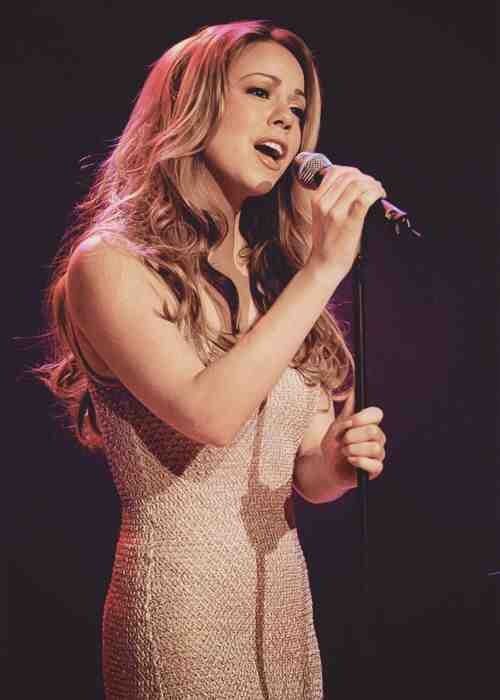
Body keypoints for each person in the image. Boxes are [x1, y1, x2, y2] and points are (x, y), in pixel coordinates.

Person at [33, 19, 387, 699]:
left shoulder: (276, 274)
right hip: (181, 606)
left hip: (283, 599)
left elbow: (303, 475)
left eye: (298, 108)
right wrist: (325, 268)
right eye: (260, 92)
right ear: (190, 109)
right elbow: (208, 413)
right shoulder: (110, 266)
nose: (285, 117)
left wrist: (336, 459)